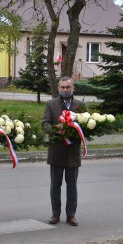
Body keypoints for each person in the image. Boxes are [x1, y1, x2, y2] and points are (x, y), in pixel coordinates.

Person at [41, 76, 87, 226]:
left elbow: (86, 125)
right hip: (56, 150)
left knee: (72, 186)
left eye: (68, 87)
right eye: (62, 87)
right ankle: (55, 214)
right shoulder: (51, 104)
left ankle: (71, 215)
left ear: (73, 88)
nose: (65, 90)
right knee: (55, 185)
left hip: (73, 151)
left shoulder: (80, 105)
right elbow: (45, 123)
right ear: (58, 88)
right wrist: (54, 130)